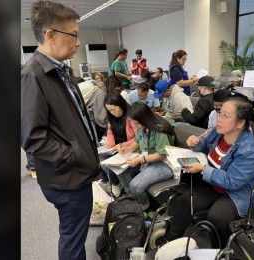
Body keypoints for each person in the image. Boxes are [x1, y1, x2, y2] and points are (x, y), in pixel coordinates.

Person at [21, 2, 100, 259]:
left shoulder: (60, 71)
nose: (78, 42)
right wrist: (73, 155)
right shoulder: (33, 75)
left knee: (73, 234)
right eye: (73, 35)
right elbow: (32, 137)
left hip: (74, 173)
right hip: (67, 177)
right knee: (73, 240)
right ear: (50, 35)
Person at [165, 97, 254, 245]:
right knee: (186, 199)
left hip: (239, 192)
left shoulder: (249, 149)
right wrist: (196, 143)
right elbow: (206, 144)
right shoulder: (218, 133)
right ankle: (171, 238)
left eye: (225, 116)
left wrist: (204, 169)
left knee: (217, 216)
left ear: (240, 123)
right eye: (219, 113)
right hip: (215, 184)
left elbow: (233, 181)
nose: (219, 119)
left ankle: (219, 250)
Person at [116, 102, 177, 210]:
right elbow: (138, 141)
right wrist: (128, 149)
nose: (135, 126)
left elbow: (162, 154)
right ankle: (132, 196)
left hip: (164, 164)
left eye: (136, 123)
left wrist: (140, 160)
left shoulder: (160, 129)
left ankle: (144, 206)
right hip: (147, 159)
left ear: (144, 119)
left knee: (136, 185)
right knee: (119, 169)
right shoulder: (142, 127)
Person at [98, 93, 138, 197]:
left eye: (114, 109)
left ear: (121, 104)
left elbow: (138, 138)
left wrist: (122, 145)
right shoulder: (112, 116)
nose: (113, 113)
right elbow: (110, 131)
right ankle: (112, 182)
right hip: (116, 147)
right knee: (99, 157)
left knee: (110, 163)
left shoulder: (131, 116)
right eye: (110, 111)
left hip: (129, 148)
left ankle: (118, 185)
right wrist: (110, 141)